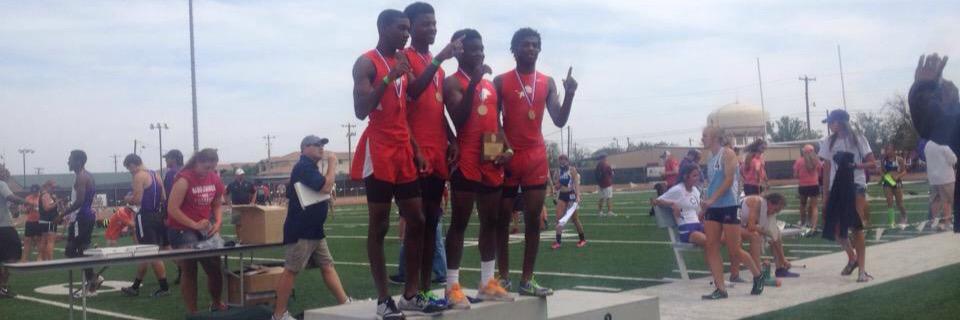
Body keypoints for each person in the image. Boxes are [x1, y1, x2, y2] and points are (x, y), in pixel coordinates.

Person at [349, 9, 438, 318]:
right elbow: (362, 109)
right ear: (382, 27)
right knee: (381, 224)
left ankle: (410, 294)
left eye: (407, 28)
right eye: (401, 28)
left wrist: (416, 148)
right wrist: (388, 77)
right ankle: (383, 298)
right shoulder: (366, 62)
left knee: (418, 219)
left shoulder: (402, 59)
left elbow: (409, 97)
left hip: (402, 147)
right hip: (380, 147)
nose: (405, 33)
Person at [495, 27, 577, 297]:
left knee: (533, 220)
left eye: (535, 45)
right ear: (514, 49)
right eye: (525, 44)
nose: (531, 48)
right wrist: (495, 155)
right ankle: (503, 277)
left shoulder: (548, 82)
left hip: (535, 156)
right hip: (508, 156)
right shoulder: (500, 81)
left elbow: (560, 120)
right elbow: (491, 122)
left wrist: (570, 95)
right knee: (501, 220)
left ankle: (527, 279)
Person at [439, 27, 515, 308]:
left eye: (482, 49)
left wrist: (508, 148)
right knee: (460, 222)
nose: (481, 53)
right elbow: (459, 117)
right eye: (475, 50)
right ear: (460, 53)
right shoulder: (451, 83)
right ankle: (452, 286)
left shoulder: (490, 85)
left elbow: (496, 122)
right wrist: (476, 80)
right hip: (467, 157)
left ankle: (487, 283)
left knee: (491, 222)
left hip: (491, 156)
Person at [401, 2, 463, 307]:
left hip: (438, 153)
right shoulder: (406, 57)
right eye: (426, 23)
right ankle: (410, 292)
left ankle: (424, 290)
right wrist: (439, 59)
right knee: (418, 224)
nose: (433, 29)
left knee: (431, 225)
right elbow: (412, 93)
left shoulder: (432, 63)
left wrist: (452, 138)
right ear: (410, 26)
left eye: (435, 23)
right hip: (416, 153)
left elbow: (437, 110)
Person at [272, 136, 348, 320]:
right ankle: (279, 315)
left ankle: (345, 303)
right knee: (291, 270)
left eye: (322, 145)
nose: (321, 148)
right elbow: (325, 186)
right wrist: (332, 164)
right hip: (302, 229)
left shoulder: (309, 167)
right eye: (317, 145)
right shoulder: (303, 166)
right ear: (305, 148)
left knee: (327, 265)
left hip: (313, 228)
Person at [700, 126, 764, 299]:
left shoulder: (727, 153)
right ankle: (720, 288)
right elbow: (711, 182)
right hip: (713, 207)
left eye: (705, 135)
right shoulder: (709, 156)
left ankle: (758, 275)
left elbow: (729, 180)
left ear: (714, 137)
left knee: (734, 249)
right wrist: (706, 203)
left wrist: (712, 200)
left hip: (729, 205)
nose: (702, 138)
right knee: (711, 246)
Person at [166, 148, 227, 314]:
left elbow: (216, 204)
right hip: (181, 229)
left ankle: (216, 302)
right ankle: (193, 312)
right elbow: (172, 209)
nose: (209, 171)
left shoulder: (214, 178)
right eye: (206, 167)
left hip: (204, 227)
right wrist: (194, 225)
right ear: (197, 163)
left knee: (214, 266)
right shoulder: (184, 179)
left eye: (212, 168)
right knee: (190, 268)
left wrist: (219, 221)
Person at [819, 109, 875, 283]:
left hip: (856, 184)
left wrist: (855, 166)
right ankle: (852, 257)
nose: (829, 125)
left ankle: (862, 271)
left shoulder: (858, 139)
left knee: (856, 226)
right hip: (837, 187)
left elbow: (872, 163)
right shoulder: (828, 141)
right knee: (834, 227)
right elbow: (827, 170)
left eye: (831, 122)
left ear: (840, 122)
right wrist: (825, 196)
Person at [908, 53, 959, 233]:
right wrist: (922, 87)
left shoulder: (934, 139)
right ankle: (943, 222)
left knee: (940, 200)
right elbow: (929, 123)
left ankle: (937, 222)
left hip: (937, 177)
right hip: (945, 176)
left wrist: (922, 87)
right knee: (946, 200)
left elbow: (928, 121)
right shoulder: (943, 138)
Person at [119, 154, 170, 297]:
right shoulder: (156, 175)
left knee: (150, 253)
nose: (130, 172)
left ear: (132, 165)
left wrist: (127, 199)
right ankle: (135, 286)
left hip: (145, 217)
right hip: (157, 215)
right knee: (146, 252)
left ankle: (164, 287)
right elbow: (163, 197)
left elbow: (137, 199)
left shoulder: (138, 176)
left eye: (129, 169)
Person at [62, 150, 103, 298]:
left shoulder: (81, 177)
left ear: (78, 161)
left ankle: (92, 281)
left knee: (76, 250)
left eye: (70, 159)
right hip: (82, 217)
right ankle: (92, 282)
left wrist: (62, 214)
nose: (68, 162)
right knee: (76, 250)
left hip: (81, 217)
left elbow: (79, 201)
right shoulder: (86, 175)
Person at [734, 193, 798, 279]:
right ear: (770, 204)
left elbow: (774, 236)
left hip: (743, 225)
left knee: (776, 233)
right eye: (776, 210)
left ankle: (780, 268)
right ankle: (758, 273)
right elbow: (751, 226)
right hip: (732, 225)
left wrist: (783, 259)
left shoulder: (769, 209)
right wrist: (766, 232)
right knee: (755, 236)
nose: (775, 213)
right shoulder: (756, 202)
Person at [653, 164, 706, 247]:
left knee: (722, 236)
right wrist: (672, 203)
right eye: (694, 175)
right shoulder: (678, 189)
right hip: (687, 229)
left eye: (698, 175)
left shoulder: (695, 190)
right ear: (685, 177)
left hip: (698, 225)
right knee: (709, 242)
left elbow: (700, 209)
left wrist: (705, 208)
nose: (698, 178)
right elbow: (655, 201)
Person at [0, 165, 31, 298]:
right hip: (4, 227)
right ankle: (2, 286)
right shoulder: (1, 184)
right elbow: (11, 197)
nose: (6, 173)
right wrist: (27, 202)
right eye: (2, 171)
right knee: (12, 256)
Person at [551, 154, 586, 249]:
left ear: (567, 160)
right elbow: (556, 186)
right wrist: (559, 183)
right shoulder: (557, 171)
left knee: (574, 219)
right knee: (559, 219)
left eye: (564, 159)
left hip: (571, 195)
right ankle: (558, 241)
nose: (562, 161)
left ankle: (582, 239)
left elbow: (576, 184)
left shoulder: (572, 170)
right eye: (560, 159)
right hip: (562, 196)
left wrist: (578, 196)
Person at [162, 149, 184, 285]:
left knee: (174, 245)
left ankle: (183, 271)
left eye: (167, 158)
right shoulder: (187, 171)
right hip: (188, 213)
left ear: (174, 159)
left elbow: (168, 196)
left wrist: (165, 215)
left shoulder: (171, 174)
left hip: (175, 214)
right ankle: (184, 271)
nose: (166, 160)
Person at [925, 140, 956, 231]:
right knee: (947, 201)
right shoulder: (943, 143)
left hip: (933, 178)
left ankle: (934, 222)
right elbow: (953, 160)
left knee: (935, 200)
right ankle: (947, 223)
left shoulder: (928, 145)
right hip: (946, 177)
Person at [794, 144, 822, 230]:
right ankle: (813, 226)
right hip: (814, 185)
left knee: (803, 205)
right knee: (814, 206)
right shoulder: (817, 161)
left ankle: (803, 223)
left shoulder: (799, 161)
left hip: (803, 186)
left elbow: (795, 175)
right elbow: (820, 173)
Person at [879, 145, 908, 228]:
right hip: (887, 182)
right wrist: (883, 176)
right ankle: (892, 222)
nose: (887, 152)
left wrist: (898, 176)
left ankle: (904, 216)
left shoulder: (899, 159)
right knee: (889, 201)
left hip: (897, 182)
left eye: (889, 150)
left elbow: (904, 171)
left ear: (894, 150)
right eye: (886, 150)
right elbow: (881, 170)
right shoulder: (883, 160)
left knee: (899, 203)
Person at [37, 180, 60, 261]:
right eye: (52, 187)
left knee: (44, 240)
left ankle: (43, 259)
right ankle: (50, 260)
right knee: (50, 241)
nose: (54, 189)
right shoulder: (46, 195)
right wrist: (56, 202)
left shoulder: (46, 194)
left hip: (45, 221)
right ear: (47, 186)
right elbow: (46, 208)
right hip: (49, 221)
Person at [20, 185, 41, 262]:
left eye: (36, 191)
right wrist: (28, 209)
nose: (35, 193)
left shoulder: (41, 197)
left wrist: (36, 207)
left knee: (38, 239)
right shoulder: (28, 198)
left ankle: (39, 258)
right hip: (30, 221)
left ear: (39, 190)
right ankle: (24, 258)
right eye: (33, 191)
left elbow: (44, 209)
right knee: (27, 240)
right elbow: (24, 211)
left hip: (39, 221)